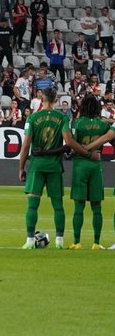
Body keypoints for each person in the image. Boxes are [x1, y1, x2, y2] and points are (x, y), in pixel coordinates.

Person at [17, 87, 91, 249]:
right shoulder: (62, 118)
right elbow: (69, 142)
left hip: (36, 166)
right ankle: (59, 241)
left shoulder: (33, 118)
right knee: (58, 205)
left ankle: (29, 241)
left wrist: (21, 168)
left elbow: (26, 145)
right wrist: (85, 152)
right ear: (56, 99)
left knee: (32, 205)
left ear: (41, 98)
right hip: (55, 166)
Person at [68, 95, 114, 249]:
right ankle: (96, 242)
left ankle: (76, 242)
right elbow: (112, 139)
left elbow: (72, 144)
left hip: (80, 165)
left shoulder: (77, 123)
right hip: (96, 166)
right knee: (97, 207)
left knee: (78, 206)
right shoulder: (103, 125)